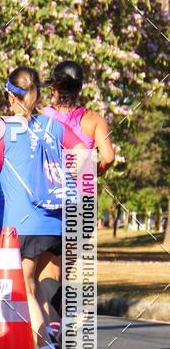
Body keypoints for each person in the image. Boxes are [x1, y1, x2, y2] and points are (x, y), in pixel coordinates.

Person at [0, 67, 84, 349]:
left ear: (10, 96)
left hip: (22, 223)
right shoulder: (52, 125)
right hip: (56, 219)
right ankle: (51, 341)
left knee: (23, 286)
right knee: (35, 285)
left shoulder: (2, 130)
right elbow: (83, 153)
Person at [38, 59, 115, 329]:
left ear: (54, 86)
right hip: (83, 200)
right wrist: (93, 171)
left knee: (49, 269)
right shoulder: (93, 119)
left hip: (49, 198)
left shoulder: (41, 116)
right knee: (69, 267)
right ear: (80, 88)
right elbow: (108, 156)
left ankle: (53, 329)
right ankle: (64, 321)